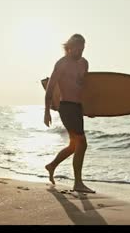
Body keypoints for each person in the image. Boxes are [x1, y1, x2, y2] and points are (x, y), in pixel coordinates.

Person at [43, 33, 95, 194]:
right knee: (82, 143)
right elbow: (50, 88)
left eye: (83, 48)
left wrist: (91, 108)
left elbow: (83, 88)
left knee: (74, 145)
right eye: (78, 48)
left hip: (78, 107)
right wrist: (47, 112)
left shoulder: (84, 63)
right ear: (69, 47)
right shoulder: (62, 64)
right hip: (66, 107)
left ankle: (51, 165)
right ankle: (78, 183)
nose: (80, 52)